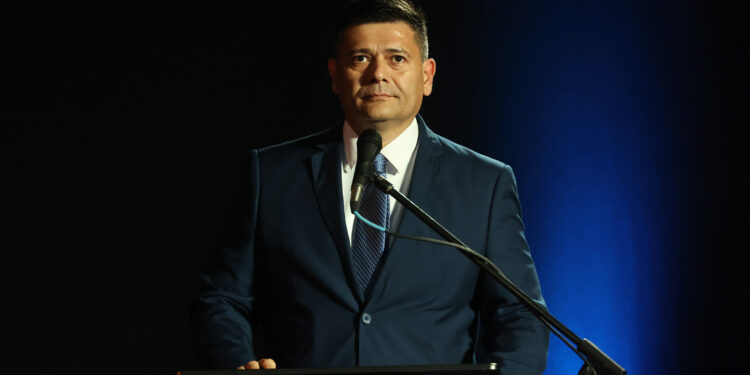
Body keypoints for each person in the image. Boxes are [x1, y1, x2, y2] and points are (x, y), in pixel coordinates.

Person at [191, 1, 549, 374]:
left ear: (427, 75)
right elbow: (221, 299)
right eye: (361, 58)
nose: (378, 74)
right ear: (334, 74)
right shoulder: (274, 174)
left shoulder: (483, 183)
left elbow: (519, 315)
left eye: (396, 58)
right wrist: (238, 365)